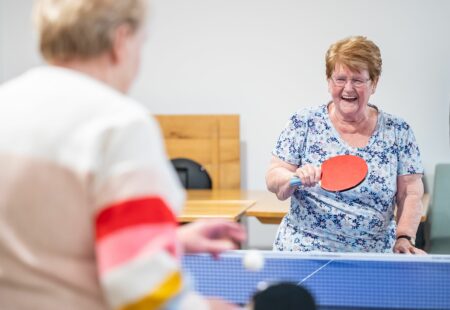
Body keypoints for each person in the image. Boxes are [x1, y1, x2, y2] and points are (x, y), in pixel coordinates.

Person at [0, 0, 245, 309]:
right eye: (140, 44)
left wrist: (170, 241)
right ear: (120, 41)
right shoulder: (119, 124)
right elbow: (141, 288)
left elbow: (39, 241)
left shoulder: (5, 104)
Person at [266, 36, 425, 254]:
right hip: (304, 250)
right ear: (329, 81)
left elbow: (410, 192)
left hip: (374, 255)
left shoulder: (398, 131)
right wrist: (294, 178)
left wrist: (404, 237)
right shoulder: (303, 122)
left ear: (374, 83)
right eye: (340, 79)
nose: (348, 88)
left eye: (358, 80)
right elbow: (274, 176)